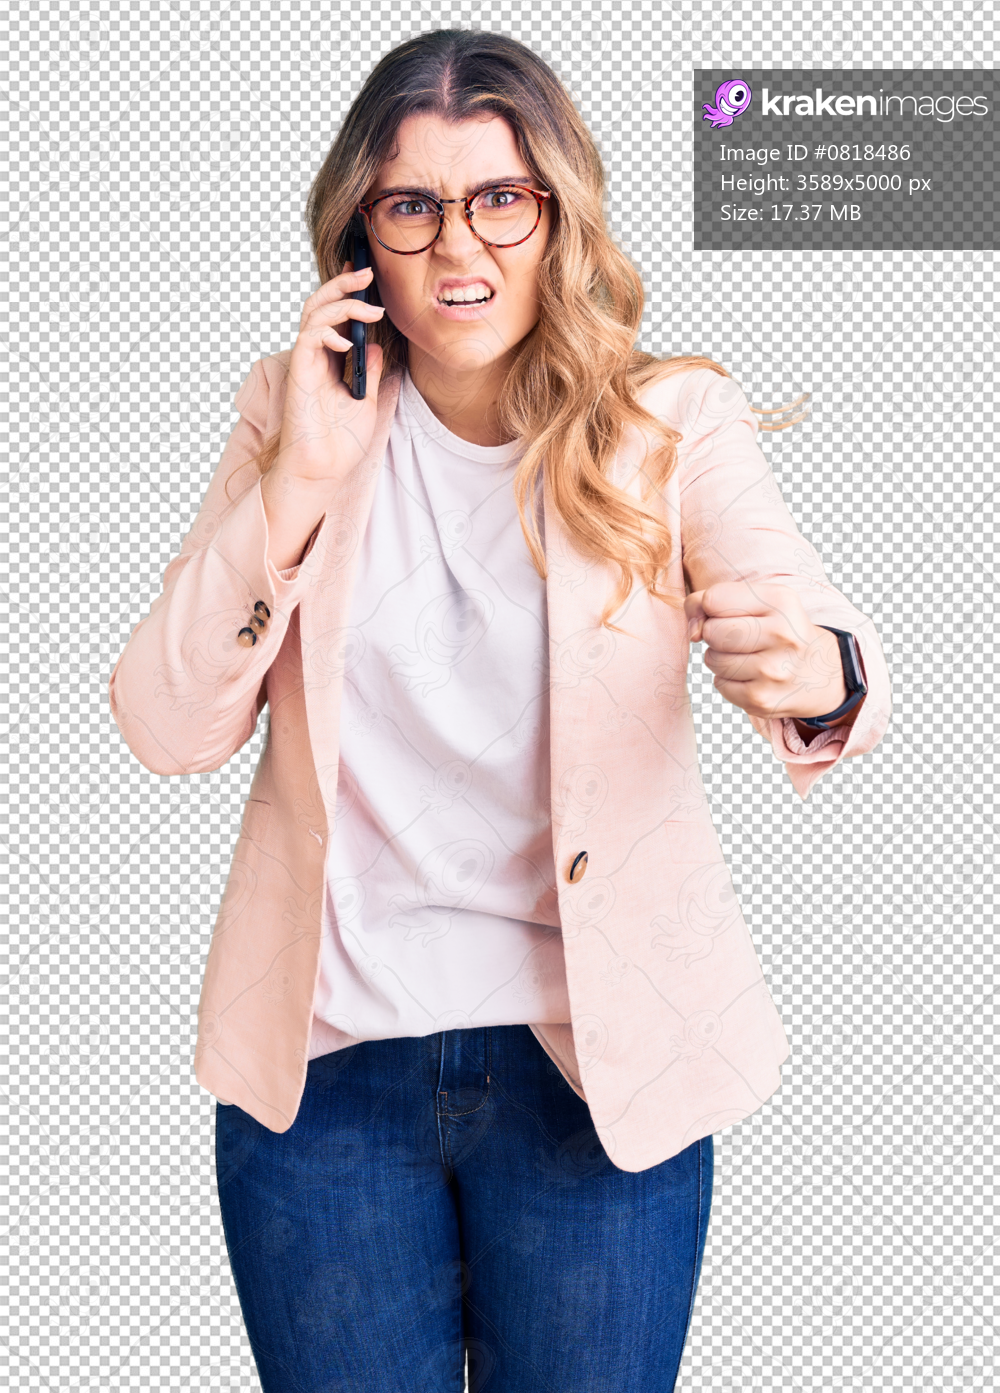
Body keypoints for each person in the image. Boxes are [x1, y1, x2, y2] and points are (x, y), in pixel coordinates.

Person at [108, 28, 891, 1393]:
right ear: (363, 229)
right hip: (331, 1081)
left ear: (556, 215)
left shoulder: (668, 423)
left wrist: (822, 673)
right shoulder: (291, 416)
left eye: (499, 200)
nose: (457, 247)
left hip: (596, 1078)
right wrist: (300, 478)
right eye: (412, 204)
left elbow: (808, 618)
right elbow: (165, 724)